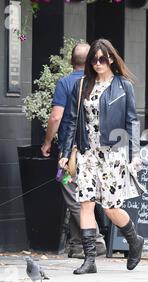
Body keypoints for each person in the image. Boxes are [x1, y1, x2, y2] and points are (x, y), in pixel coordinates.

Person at [58, 38, 144, 274]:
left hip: (112, 154)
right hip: (87, 153)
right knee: (85, 203)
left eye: (102, 59)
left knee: (109, 208)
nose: (98, 63)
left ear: (111, 59)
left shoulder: (123, 85)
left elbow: (132, 122)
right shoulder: (82, 84)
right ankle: (90, 260)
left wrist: (134, 154)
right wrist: (65, 153)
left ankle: (134, 240)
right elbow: (72, 121)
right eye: (93, 59)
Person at [41, 43, 106, 259]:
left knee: (74, 197)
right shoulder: (99, 81)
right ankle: (78, 246)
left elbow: (56, 117)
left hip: (73, 152)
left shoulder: (67, 82)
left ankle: (95, 240)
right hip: (97, 148)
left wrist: (48, 141)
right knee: (85, 195)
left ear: (71, 61)